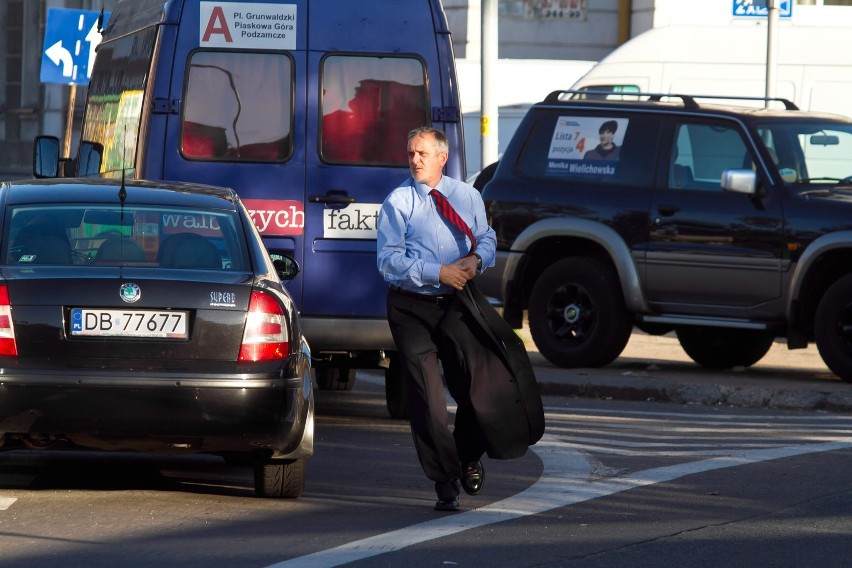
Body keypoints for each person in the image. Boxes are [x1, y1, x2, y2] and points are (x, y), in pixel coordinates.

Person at [376, 126, 497, 512]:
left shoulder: (467, 196)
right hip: (411, 306)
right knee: (428, 399)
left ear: (442, 158)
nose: (414, 160)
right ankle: (445, 482)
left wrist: (475, 260)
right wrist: (436, 271)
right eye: (410, 153)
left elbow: (487, 238)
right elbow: (388, 260)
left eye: (422, 154)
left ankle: (466, 456)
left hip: (457, 302)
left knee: (478, 388)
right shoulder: (399, 202)